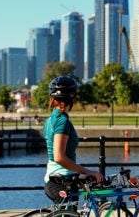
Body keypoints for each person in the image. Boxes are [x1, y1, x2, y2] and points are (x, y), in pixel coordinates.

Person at [43, 76, 103, 204]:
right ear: (71, 97)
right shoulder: (62, 121)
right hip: (62, 180)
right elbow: (59, 157)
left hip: (56, 178)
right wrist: (88, 171)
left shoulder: (50, 120)